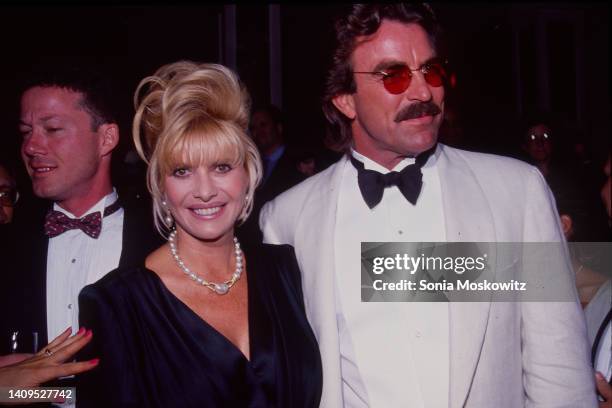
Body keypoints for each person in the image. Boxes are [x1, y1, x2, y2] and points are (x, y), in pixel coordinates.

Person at [260, 4, 597, 407]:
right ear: (345, 100)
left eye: (431, 71)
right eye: (395, 75)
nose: (424, 93)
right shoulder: (286, 220)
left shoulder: (516, 191)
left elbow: (559, 372)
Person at [76, 61, 322, 407]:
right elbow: (71, 396)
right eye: (182, 171)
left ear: (248, 173)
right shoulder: (115, 304)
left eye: (222, 167)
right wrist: (8, 390)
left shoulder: (286, 270)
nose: (205, 191)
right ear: (160, 185)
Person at [0, 67, 161, 387]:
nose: (31, 147)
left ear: (106, 138)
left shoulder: (165, 242)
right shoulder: (8, 248)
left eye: (53, 129)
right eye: (25, 132)